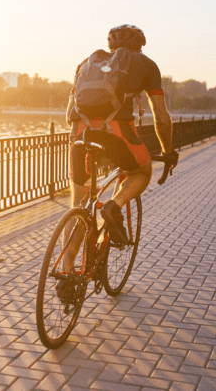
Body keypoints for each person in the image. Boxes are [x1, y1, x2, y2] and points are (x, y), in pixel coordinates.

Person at [63, 25, 176, 268]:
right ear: (140, 45)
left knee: (79, 203)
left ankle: (66, 274)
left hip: (80, 135)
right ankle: (114, 205)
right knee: (141, 172)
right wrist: (167, 151)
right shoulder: (146, 64)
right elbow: (161, 116)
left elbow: (69, 112)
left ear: (110, 44)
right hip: (117, 134)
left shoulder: (86, 63)